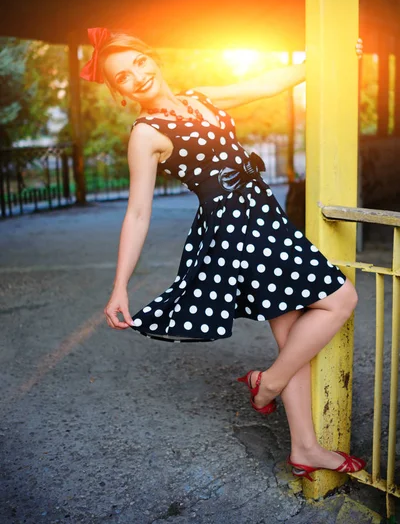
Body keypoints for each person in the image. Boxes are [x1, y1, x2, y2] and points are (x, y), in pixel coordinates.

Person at [80, 28, 366, 481]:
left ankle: (303, 444)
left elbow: (266, 84)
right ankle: (270, 383)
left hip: (263, 217)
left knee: (293, 336)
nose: (137, 75)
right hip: (235, 231)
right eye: (123, 77)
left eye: (138, 62)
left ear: (152, 59)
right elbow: (137, 213)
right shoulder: (145, 134)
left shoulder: (201, 98)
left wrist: (328, 54)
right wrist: (119, 286)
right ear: (118, 93)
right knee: (341, 298)